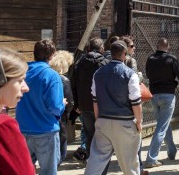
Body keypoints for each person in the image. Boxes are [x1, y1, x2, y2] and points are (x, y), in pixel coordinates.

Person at [84, 41, 143, 175]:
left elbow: (95, 100)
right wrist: (139, 122)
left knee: (96, 161)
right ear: (124, 54)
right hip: (125, 122)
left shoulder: (98, 74)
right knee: (130, 164)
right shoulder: (130, 74)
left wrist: (98, 120)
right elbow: (135, 101)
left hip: (103, 121)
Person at [16, 39, 65, 175]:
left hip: (23, 128)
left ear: (34, 53)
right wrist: (63, 105)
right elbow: (55, 106)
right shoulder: (52, 75)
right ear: (52, 55)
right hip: (45, 130)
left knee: (23, 170)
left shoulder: (22, 73)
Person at [144, 38, 179, 167]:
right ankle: (151, 158)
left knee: (163, 124)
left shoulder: (150, 59)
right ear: (168, 47)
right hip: (168, 95)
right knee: (161, 127)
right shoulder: (171, 59)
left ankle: (171, 151)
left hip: (154, 95)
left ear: (157, 46)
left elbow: (148, 75)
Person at [71, 37, 109, 164]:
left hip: (84, 105)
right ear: (102, 49)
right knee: (103, 134)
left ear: (88, 48)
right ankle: (101, 162)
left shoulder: (79, 64)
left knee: (89, 134)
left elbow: (74, 85)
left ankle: (90, 160)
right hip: (101, 105)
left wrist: (77, 104)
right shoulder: (105, 64)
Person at [49, 50, 75, 165]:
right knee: (60, 151)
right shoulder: (64, 80)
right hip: (60, 118)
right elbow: (69, 103)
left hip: (46, 119)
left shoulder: (48, 77)